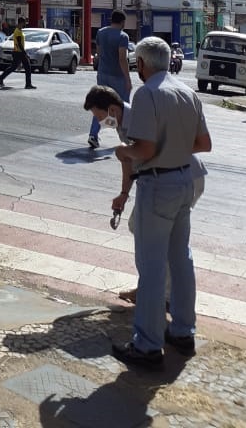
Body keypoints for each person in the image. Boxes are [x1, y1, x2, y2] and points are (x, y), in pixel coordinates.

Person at [110, 36, 212, 368]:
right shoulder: (187, 92)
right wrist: (176, 149)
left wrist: (122, 151)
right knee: (181, 260)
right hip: (185, 180)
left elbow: (145, 150)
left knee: (152, 268)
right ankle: (183, 331)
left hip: (158, 184)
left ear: (142, 63)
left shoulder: (147, 93)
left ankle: (148, 345)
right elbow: (203, 143)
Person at [83, 82, 207, 304]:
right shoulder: (123, 122)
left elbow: (144, 152)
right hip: (174, 178)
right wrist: (123, 193)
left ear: (112, 109)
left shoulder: (137, 118)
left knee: (160, 237)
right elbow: (128, 161)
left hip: (181, 177)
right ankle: (157, 290)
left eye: (98, 115)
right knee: (142, 229)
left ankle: (161, 294)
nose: (100, 122)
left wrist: (124, 153)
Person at [89, 10, 132, 149]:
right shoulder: (123, 36)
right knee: (124, 106)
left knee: (100, 104)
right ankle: (127, 137)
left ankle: (93, 135)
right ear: (123, 22)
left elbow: (99, 52)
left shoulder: (101, 32)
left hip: (102, 73)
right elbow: (122, 58)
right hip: (117, 76)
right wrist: (128, 78)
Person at [0, 17, 35, 89]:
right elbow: (19, 43)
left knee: (13, 67)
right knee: (28, 67)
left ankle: (1, 78)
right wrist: (24, 53)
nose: (24, 24)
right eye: (24, 23)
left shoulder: (19, 31)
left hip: (18, 52)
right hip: (19, 52)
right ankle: (28, 84)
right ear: (21, 23)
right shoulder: (17, 31)